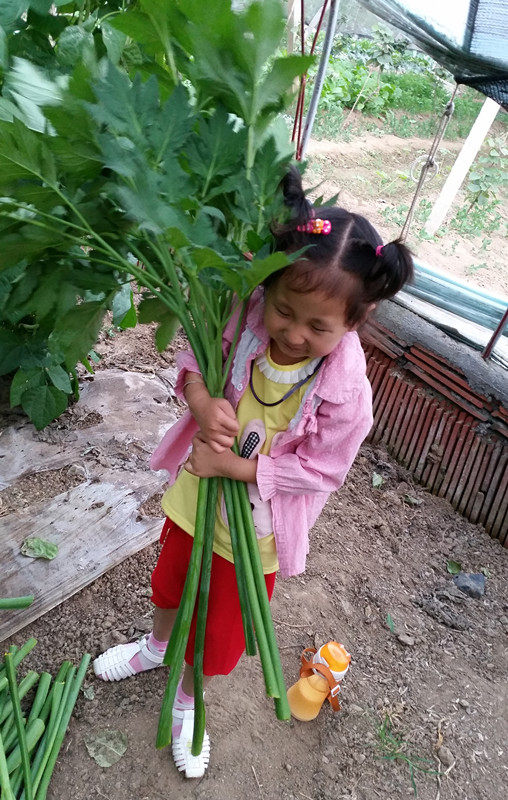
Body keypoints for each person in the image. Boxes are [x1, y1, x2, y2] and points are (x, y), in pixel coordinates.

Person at [93, 167, 414, 778]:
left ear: (356, 320)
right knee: (170, 585)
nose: (292, 333)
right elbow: (195, 358)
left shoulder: (347, 394)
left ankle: (188, 700)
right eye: (284, 310)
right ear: (267, 285)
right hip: (195, 498)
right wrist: (199, 399)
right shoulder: (244, 315)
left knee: (218, 630)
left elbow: (320, 473)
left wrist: (238, 468)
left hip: (255, 532)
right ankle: (156, 647)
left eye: (318, 327)